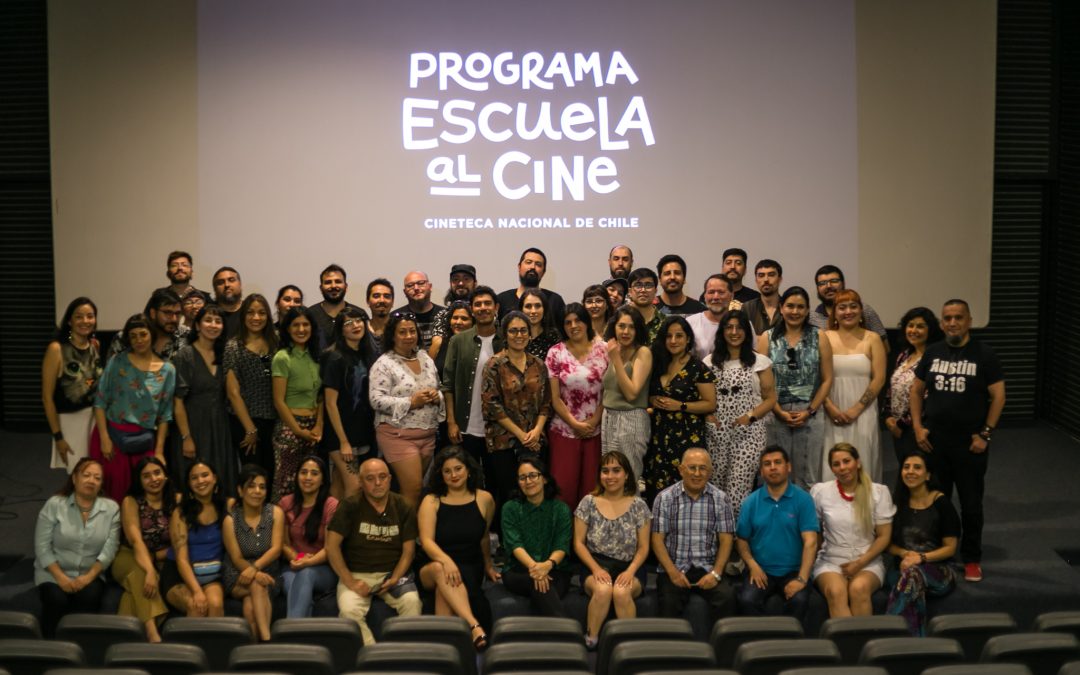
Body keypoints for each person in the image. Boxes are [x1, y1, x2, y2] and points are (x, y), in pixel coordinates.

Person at [910, 299, 1005, 582]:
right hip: (934, 442)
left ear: (969, 321)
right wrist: (917, 427)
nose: (952, 323)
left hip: (969, 444)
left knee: (971, 503)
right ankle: (940, 552)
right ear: (941, 323)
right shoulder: (934, 352)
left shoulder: (984, 354)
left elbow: (998, 396)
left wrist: (985, 434)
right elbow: (916, 391)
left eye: (958, 318)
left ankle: (972, 557)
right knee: (938, 501)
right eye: (948, 318)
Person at [326, 457, 422, 645]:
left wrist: (395, 577)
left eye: (382, 477)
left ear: (389, 479)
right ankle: (373, 657)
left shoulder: (403, 506)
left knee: (412, 602)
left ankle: (403, 657)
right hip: (357, 573)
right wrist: (350, 581)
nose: (377, 483)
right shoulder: (349, 505)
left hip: (392, 573)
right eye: (370, 478)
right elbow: (332, 547)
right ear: (361, 482)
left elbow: (408, 550)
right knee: (348, 612)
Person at [417, 447, 499, 651]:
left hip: (471, 564)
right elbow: (426, 541)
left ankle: (444, 650)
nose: (453, 475)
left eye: (458, 469)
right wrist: (446, 561)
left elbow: (483, 537)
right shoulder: (431, 500)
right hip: (432, 563)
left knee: (444, 590)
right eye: (447, 471)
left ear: (469, 470)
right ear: (440, 475)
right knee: (440, 570)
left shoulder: (485, 499)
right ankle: (473, 624)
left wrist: (488, 565)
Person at [92, 314, 176, 502]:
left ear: (152, 335)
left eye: (143, 334)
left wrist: (160, 451)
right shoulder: (117, 361)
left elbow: (165, 415)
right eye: (133, 336)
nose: (139, 340)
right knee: (112, 492)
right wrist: (104, 438)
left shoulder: (167, 370)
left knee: (143, 493)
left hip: (144, 441)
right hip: (112, 437)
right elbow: (100, 401)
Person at [34, 457, 120, 638]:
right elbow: (42, 546)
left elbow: (109, 549)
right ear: (74, 478)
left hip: (91, 573)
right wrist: (61, 577)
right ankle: (49, 648)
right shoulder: (55, 504)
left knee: (88, 599)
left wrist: (88, 577)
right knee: (56, 600)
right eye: (86, 475)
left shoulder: (112, 509)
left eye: (97, 478)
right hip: (53, 572)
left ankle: (77, 651)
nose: (91, 480)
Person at [756, 287, 833, 488]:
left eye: (800, 307)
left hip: (810, 413)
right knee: (774, 475)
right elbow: (761, 382)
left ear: (808, 310)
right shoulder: (767, 337)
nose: (795, 311)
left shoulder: (819, 336)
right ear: (781, 308)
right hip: (775, 414)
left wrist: (810, 410)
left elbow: (827, 379)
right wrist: (778, 411)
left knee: (808, 477)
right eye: (790, 306)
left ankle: (805, 519)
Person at [573, 451, 651, 649]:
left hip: (630, 567)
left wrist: (630, 571)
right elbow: (579, 543)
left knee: (621, 592)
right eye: (605, 471)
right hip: (595, 565)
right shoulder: (587, 502)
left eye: (616, 470)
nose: (610, 476)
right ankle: (591, 640)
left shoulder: (639, 506)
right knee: (603, 589)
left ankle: (629, 645)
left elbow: (643, 547)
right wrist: (596, 569)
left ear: (626, 475)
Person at [651, 448, 736, 624]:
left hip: (708, 567)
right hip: (674, 568)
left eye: (703, 468)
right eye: (692, 468)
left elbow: (726, 540)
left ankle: (722, 651)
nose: (697, 473)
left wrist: (716, 573)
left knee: (728, 598)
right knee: (669, 604)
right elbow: (657, 540)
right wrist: (673, 573)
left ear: (710, 471)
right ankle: (671, 651)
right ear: (681, 470)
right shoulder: (664, 498)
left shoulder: (721, 499)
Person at [705, 310, 777, 519]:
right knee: (715, 491)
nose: (734, 332)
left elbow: (770, 399)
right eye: (729, 327)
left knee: (737, 494)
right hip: (717, 435)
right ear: (722, 332)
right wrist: (708, 417)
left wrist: (750, 417)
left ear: (747, 331)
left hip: (748, 435)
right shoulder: (709, 362)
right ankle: (720, 541)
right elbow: (704, 396)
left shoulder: (760, 362)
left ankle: (739, 541)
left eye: (739, 328)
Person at [369, 310, 444, 506]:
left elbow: (438, 386)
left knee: (418, 492)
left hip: (427, 435)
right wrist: (411, 402)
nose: (409, 336)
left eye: (412, 331)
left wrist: (437, 396)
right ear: (392, 335)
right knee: (413, 489)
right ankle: (407, 537)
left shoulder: (425, 358)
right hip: (398, 435)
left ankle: (416, 533)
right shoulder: (384, 364)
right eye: (402, 332)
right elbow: (376, 400)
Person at [735, 446, 819, 620]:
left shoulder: (803, 499)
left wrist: (802, 579)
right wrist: (753, 566)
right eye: (767, 464)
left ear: (788, 467)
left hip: (794, 571)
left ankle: (789, 644)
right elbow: (742, 540)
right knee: (746, 600)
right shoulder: (750, 502)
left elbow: (811, 542)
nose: (772, 467)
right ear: (761, 471)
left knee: (799, 600)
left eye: (777, 462)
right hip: (761, 569)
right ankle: (762, 643)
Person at [811, 443, 895, 618]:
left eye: (846, 461)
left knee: (859, 588)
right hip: (831, 561)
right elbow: (815, 532)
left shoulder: (879, 492)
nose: (842, 468)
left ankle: (863, 643)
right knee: (836, 591)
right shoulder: (821, 492)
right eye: (836, 464)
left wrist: (859, 563)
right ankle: (846, 644)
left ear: (857, 462)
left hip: (868, 561)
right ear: (832, 469)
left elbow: (884, 536)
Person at [480, 311, 552, 510]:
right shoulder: (493, 365)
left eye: (523, 331)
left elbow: (546, 402)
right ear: (505, 334)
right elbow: (491, 405)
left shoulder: (538, 364)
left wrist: (537, 431)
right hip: (504, 443)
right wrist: (521, 435)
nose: (519, 335)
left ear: (530, 334)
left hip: (535, 440)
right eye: (513, 331)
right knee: (509, 496)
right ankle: (509, 541)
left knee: (536, 495)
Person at [885, 451, 960, 635]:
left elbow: (950, 548)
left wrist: (920, 558)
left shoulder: (941, 503)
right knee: (911, 579)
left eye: (917, 467)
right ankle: (914, 643)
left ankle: (893, 635)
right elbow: (886, 543)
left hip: (938, 570)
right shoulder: (896, 502)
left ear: (928, 475)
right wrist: (904, 554)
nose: (910, 471)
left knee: (912, 576)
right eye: (906, 467)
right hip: (901, 569)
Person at [643, 316, 717, 501]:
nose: (673, 341)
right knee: (657, 490)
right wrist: (652, 399)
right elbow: (647, 394)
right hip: (659, 437)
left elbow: (710, 403)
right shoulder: (658, 364)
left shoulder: (698, 367)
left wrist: (681, 406)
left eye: (679, 336)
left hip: (686, 437)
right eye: (669, 336)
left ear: (688, 339)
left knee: (686, 489)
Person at [822, 290, 887, 482]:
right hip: (830, 413)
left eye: (853, 306)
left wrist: (857, 409)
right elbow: (817, 378)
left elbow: (879, 378)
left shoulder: (873, 338)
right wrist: (831, 407)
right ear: (835, 312)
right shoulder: (824, 337)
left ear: (861, 311)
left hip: (863, 413)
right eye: (842, 307)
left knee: (864, 463)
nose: (848, 311)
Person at [547, 303, 608, 506]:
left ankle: (586, 537)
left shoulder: (604, 350)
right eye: (567, 322)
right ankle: (564, 537)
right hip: (564, 430)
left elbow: (608, 391)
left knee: (592, 490)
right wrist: (576, 424)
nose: (573, 326)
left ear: (587, 322)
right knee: (563, 489)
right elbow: (555, 397)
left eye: (578, 320)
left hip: (596, 430)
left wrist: (593, 422)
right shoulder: (555, 353)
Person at [500, 454, 573, 617]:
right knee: (538, 582)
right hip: (518, 571)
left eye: (533, 475)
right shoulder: (510, 508)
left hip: (556, 569)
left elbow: (562, 545)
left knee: (542, 586)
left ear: (545, 479)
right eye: (522, 478)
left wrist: (546, 566)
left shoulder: (560, 509)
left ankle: (559, 635)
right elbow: (514, 544)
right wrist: (536, 569)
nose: (528, 481)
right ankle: (567, 634)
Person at [172, 305, 235, 493]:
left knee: (221, 480)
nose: (213, 325)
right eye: (208, 320)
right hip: (193, 426)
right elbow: (178, 402)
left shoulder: (225, 355)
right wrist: (186, 437)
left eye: (218, 321)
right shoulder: (185, 355)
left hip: (220, 426)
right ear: (197, 325)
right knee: (194, 481)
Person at [442, 286, 504, 471]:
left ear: (496, 308)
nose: (483, 308)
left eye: (487, 303)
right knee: (468, 481)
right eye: (478, 304)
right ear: (472, 309)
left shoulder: (506, 340)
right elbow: (448, 385)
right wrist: (452, 422)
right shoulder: (458, 341)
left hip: (499, 429)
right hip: (465, 427)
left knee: (496, 484)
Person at [113, 457, 174, 641]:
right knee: (143, 576)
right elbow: (136, 540)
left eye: (157, 473)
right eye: (146, 476)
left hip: (163, 557)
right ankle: (152, 633)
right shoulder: (130, 501)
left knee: (132, 591)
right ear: (139, 480)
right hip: (128, 555)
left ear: (165, 475)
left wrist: (158, 558)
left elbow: (181, 540)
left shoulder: (175, 500)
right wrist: (149, 570)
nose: (153, 479)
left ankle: (123, 636)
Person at [222, 464, 284, 642]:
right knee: (257, 585)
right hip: (238, 573)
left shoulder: (275, 513)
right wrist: (254, 573)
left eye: (262, 487)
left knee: (250, 607)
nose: (257, 491)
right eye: (251, 486)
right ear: (240, 491)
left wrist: (256, 568)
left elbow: (276, 549)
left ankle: (254, 650)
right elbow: (236, 557)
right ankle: (267, 640)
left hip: (269, 572)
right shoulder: (230, 519)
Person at [321, 307, 378, 499]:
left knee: (338, 487)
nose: (355, 325)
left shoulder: (368, 354)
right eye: (348, 323)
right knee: (355, 488)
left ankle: (329, 527)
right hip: (340, 435)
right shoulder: (334, 357)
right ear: (340, 329)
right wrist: (343, 441)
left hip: (362, 431)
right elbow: (330, 403)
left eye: (359, 320)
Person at [42, 297, 102, 472]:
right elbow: (47, 398)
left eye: (90, 316)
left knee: (94, 474)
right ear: (69, 320)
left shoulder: (94, 345)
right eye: (79, 317)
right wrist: (58, 437)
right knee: (78, 476)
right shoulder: (56, 349)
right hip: (70, 423)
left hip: (95, 420)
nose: (85, 321)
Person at [271, 306, 324, 501]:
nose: (301, 330)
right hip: (289, 428)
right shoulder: (282, 357)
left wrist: (319, 424)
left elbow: (321, 397)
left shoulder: (317, 356)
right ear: (287, 329)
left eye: (305, 324)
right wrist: (298, 430)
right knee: (286, 485)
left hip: (313, 429)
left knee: (310, 489)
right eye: (296, 325)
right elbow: (278, 400)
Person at [223, 294, 278, 480]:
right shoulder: (234, 346)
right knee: (252, 476)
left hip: (273, 421)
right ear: (243, 316)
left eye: (261, 313)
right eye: (251, 313)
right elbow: (233, 392)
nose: (256, 318)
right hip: (245, 422)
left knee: (271, 474)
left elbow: (275, 379)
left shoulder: (275, 343)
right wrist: (250, 428)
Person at [163, 461, 226, 618]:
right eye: (194, 478)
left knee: (215, 604)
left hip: (212, 576)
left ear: (215, 478)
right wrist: (197, 591)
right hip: (180, 577)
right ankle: (191, 643)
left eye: (205, 475)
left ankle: (214, 644)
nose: (200, 481)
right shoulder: (180, 513)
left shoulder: (225, 507)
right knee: (195, 605)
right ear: (189, 484)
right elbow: (181, 560)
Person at [279, 456, 340, 617]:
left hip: (324, 568)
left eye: (314, 473)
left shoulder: (331, 505)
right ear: (297, 476)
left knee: (306, 575)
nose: (308, 478)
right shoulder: (286, 503)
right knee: (296, 586)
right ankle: (304, 634)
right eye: (303, 472)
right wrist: (298, 558)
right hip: (292, 565)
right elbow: (284, 544)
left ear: (322, 480)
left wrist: (308, 562)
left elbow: (330, 548)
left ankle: (291, 633)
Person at [884, 307, 944, 463]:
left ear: (930, 330)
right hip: (897, 429)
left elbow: (928, 397)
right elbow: (892, 388)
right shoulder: (904, 355)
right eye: (910, 325)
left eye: (920, 326)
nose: (913, 330)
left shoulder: (935, 358)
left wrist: (901, 425)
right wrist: (889, 417)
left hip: (919, 429)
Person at [601, 305, 653, 482]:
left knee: (628, 479)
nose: (626, 331)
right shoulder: (614, 351)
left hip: (631, 418)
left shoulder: (642, 352)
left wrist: (615, 359)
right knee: (610, 479)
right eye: (622, 326)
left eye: (632, 327)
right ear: (613, 327)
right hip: (608, 418)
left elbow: (632, 393)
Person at [809, 265, 888, 344]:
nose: (829, 286)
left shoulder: (864, 310)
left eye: (834, 281)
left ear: (843, 284)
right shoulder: (812, 319)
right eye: (822, 283)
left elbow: (884, 346)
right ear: (818, 288)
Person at [108, 289, 184, 362]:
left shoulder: (186, 336)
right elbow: (110, 372)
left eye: (178, 313)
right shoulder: (126, 337)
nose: (174, 319)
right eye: (168, 313)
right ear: (153, 313)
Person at [496, 247, 566, 323]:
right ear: (519, 267)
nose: (532, 267)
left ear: (543, 272)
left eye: (538, 264)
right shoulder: (502, 300)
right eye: (528, 262)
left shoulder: (555, 301)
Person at [686, 275, 743, 361]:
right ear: (705, 296)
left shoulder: (743, 324)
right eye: (711, 292)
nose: (716, 297)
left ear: (732, 295)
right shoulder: (690, 323)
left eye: (721, 292)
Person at [429, 263, 478, 362]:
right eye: (455, 279)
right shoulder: (442, 315)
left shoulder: (481, 313)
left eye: (466, 279)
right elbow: (437, 346)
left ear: (475, 283)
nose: (460, 283)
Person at [308, 264, 362, 350]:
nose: (333, 286)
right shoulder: (309, 315)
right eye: (328, 282)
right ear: (321, 288)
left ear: (346, 287)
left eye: (338, 281)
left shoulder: (359, 314)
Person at [393, 271, 444, 349]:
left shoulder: (445, 315)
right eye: (410, 285)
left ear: (430, 286)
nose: (416, 288)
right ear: (405, 292)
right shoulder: (395, 317)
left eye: (421, 283)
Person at [741, 259, 784, 335]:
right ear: (756, 280)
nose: (766, 279)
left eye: (771, 275)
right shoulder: (748, 308)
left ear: (780, 279)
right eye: (761, 275)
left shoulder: (788, 307)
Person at [433, 300, 473, 375]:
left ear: (472, 323)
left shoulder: (477, 345)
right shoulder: (438, 343)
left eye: (464, 319)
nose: (458, 322)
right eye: (455, 318)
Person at [519, 288, 560, 361]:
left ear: (544, 309)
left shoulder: (555, 337)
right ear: (521, 310)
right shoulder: (515, 336)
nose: (533, 311)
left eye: (537, 306)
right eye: (528, 306)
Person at [627, 267, 665, 345]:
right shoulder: (619, 320)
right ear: (630, 291)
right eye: (638, 285)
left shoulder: (665, 322)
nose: (643, 290)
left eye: (648, 285)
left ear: (655, 291)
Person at [211, 266, 244, 337]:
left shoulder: (250, 311)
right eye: (221, 282)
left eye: (231, 280)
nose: (227, 285)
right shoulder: (208, 313)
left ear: (240, 284)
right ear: (215, 289)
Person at [365, 278, 395, 351]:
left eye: (387, 296)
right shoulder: (361, 329)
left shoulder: (399, 330)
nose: (382, 300)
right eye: (376, 296)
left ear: (393, 302)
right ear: (367, 301)